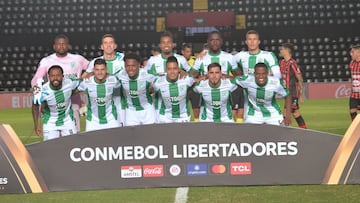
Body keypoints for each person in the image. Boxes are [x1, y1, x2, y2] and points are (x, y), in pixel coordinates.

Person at [31, 34, 89, 132]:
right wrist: (40, 99)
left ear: (68, 46)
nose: (61, 46)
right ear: (54, 46)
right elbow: (36, 79)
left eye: (64, 44)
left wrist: (84, 75)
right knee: (53, 135)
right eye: (59, 44)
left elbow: (92, 68)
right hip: (52, 100)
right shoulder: (47, 61)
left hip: (73, 100)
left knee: (74, 132)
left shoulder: (78, 59)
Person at [234, 30, 281, 123]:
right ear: (246, 42)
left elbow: (277, 74)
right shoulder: (240, 56)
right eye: (249, 39)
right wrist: (205, 52)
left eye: (254, 39)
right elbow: (225, 60)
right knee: (251, 133)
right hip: (249, 100)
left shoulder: (268, 56)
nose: (252, 42)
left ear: (259, 41)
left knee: (276, 134)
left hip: (267, 98)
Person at [193, 31, 240, 122]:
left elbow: (240, 78)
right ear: (208, 41)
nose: (215, 42)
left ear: (221, 41)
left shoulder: (229, 58)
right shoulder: (201, 58)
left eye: (217, 40)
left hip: (225, 104)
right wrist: (200, 78)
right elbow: (189, 79)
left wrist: (228, 77)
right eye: (212, 40)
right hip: (207, 101)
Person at [84, 34, 125, 126]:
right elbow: (84, 78)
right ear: (102, 46)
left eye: (111, 43)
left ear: (115, 46)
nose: (108, 45)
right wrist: (89, 74)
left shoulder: (123, 63)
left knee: (120, 136)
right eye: (105, 43)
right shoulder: (94, 62)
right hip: (101, 106)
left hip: (120, 105)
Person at [32, 65, 80, 141]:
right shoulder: (41, 90)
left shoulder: (70, 82)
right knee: (49, 148)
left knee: (72, 145)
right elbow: (35, 106)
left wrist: (73, 92)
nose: (55, 78)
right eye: (52, 76)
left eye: (58, 75)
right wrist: (36, 125)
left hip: (67, 120)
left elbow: (82, 82)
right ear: (48, 77)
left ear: (63, 76)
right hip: (50, 122)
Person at [77, 59, 121, 131]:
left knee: (116, 142)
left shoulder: (113, 80)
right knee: (91, 142)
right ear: (93, 70)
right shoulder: (86, 82)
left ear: (106, 69)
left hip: (111, 119)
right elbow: (73, 88)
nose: (100, 72)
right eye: (97, 70)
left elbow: (126, 81)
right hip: (92, 121)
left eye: (102, 69)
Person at [117, 53, 156, 126]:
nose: (130, 68)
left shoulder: (147, 74)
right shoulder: (120, 75)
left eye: (133, 66)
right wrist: (92, 73)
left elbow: (164, 76)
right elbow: (107, 77)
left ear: (139, 65)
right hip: (130, 112)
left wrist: (180, 71)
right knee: (131, 136)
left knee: (151, 135)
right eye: (127, 66)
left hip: (147, 110)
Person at [153, 56, 195, 123]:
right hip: (165, 116)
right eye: (169, 69)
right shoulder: (158, 83)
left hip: (183, 116)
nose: (172, 72)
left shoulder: (187, 79)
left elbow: (196, 82)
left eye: (175, 68)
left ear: (179, 69)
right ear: (165, 70)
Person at [279, 43, 307, 128]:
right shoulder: (282, 62)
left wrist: (302, 94)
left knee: (286, 114)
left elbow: (300, 78)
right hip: (286, 93)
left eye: (282, 49)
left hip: (293, 93)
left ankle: (288, 133)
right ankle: (304, 131)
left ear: (287, 50)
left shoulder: (292, 63)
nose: (280, 50)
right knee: (295, 113)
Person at [349, 44, 360, 121]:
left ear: (358, 53)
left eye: (353, 52)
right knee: (352, 111)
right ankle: (356, 128)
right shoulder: (352, 63)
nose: (351, 54)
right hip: (354, 93)